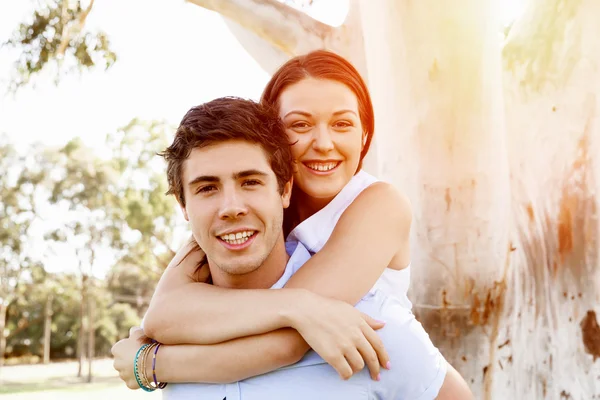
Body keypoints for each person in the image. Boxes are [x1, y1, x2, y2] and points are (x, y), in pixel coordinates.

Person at [112, 97, 473, 399]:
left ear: (284, 190)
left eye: (250, 181)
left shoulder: (369, 326)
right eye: (207, 188)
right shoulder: (172, 342)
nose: (231, 206)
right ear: (183, 205)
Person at [137, 50, 418, 382]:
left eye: (342, 124)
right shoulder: (252, 208)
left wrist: (149, 364)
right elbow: (166, 312)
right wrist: (298, 305)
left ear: (364, 133)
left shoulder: (380, 205)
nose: (324, 143)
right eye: (300, 124)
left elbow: (287, 344)